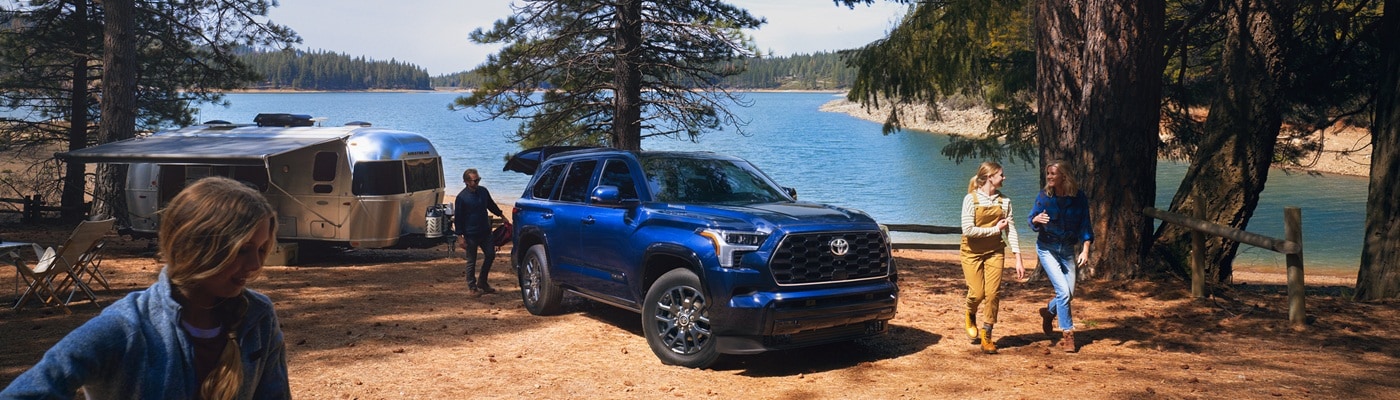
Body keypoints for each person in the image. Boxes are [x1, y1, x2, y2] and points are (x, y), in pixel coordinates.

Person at [1, 176, 289, 399]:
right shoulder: (126, 327)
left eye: (262, 249)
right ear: (195, 246)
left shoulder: (258, 316)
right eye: (242, 249)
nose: (255, 265)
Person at [959, 161, 1026, 354]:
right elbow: (968, 230)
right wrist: (995, 229)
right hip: (971, 252)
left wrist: (1018, 258)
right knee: (977, 293)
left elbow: (1011, 230)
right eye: (1001, 175)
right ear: (990, 177)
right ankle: (970, 313)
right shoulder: (970, 199)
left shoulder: (1004, 202)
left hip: (995, 251)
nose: (1004, 178)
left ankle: (987, 334)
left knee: (993, 293)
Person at [1027, 160, 1093, 353]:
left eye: (1053, 174)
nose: (1049, 177)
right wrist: (1036, 220)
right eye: (1048, 174)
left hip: (1067, 250)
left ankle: (1049, 312)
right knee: (1063, 292)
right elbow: (1032, 219)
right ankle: (1068, 334)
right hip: (1046, 248)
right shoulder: (1044, 196)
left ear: (1064, 175)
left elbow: (1085, 225)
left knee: (1069, 293)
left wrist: (1085, 249)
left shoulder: (1078, 198)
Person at [454, 168, 506, 296]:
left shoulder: (483, 191)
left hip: (485, 231)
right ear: (466, 181)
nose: (477, 182)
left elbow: (491, 205)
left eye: (479, 179)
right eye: (475, 180)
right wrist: (460, 237)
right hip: (470, 234)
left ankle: (482, 282)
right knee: (471, 260)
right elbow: (458, 218)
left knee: (490, 255)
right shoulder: (462, 197)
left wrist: (502, 216)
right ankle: (472, 287)